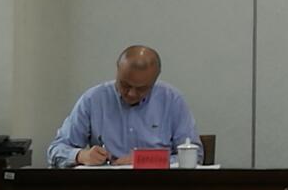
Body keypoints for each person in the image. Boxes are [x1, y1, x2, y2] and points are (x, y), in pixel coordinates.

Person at [46, 45, 202, 168]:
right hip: (106, 188)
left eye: (141, 89)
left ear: (154, 81)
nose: (131, 93)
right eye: (125, 85)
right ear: (118, 71)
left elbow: (195, 156)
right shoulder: (93, 99)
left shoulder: (172, 100)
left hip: (159, 187)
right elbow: (56, 149)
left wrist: (145, 161)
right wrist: (81, 155)